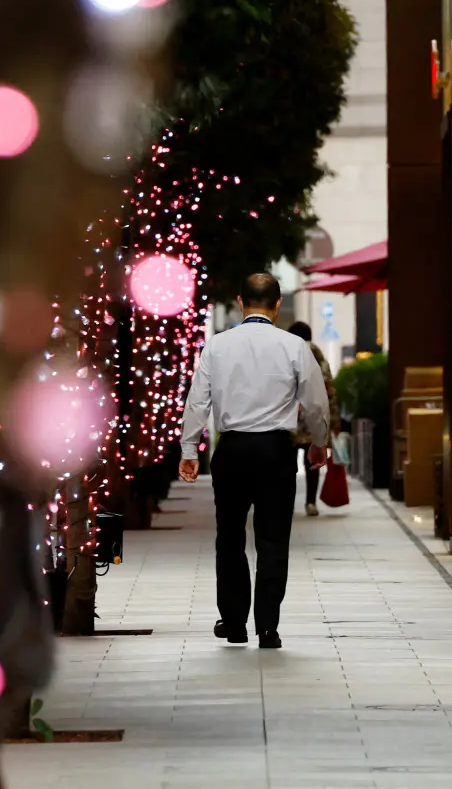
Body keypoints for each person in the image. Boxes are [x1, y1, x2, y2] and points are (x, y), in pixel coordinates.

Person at [177, 273, 330, 649]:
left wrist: (189, 449)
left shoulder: (216, 346)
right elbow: (315, 401)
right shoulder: (295, 346)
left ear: (241, 302)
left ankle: (233, 622)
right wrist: (319, 443)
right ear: (277, 305)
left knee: (229, 538)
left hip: (231, 450)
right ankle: (268, 627)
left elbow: (198, 401)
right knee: (273, 540)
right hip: (276, 452)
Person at [286, 321, 340, 516]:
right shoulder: (320, 359)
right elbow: (330, 392)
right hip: (315, 421)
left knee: (287, 466)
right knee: (313, 464)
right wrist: (334, 423)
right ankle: (310, 503)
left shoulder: (287, 357)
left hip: (290, 422)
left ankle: (287, 503)